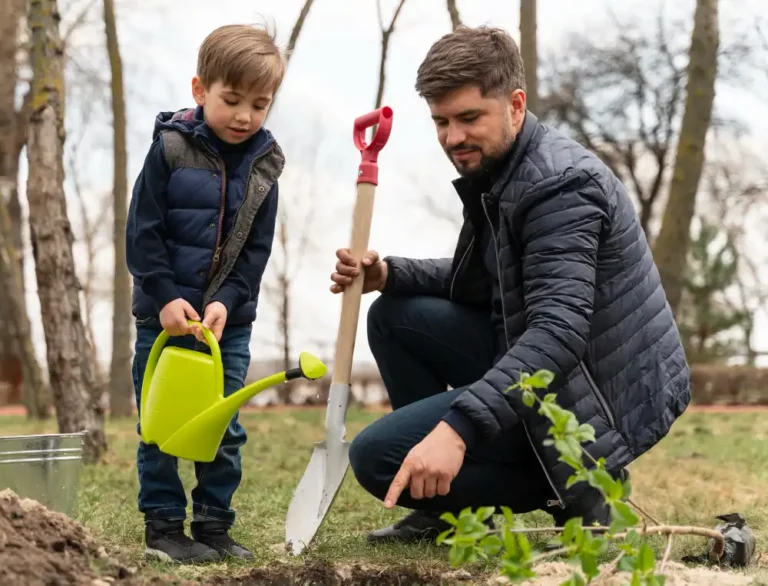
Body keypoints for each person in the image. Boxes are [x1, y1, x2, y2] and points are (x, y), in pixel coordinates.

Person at [330, 25, 691, 544]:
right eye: (441, 122)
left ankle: (577, 485)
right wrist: (389, 273)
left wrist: (456, 430)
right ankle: (447, 511)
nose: (453, 138)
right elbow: (486, 282)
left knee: (377, 457)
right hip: (555, 371)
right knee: (394, 315)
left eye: (469, 118)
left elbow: (558, 334)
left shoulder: (559, 186)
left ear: (515, 105)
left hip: (594, 400)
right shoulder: (504, 171)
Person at [125, 24, 286, 564]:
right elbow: (143, 234)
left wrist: (227, 302)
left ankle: (214, 525)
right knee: (160, 425)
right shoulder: (170, 149)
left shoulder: (266, 167)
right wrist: (165, 296)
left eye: (259, 105)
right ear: (200, 90)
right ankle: (164, 527)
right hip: (163, 319)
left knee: (224, 425)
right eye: (232, 100)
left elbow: (255, 254)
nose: (244, 116)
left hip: (225, 327)